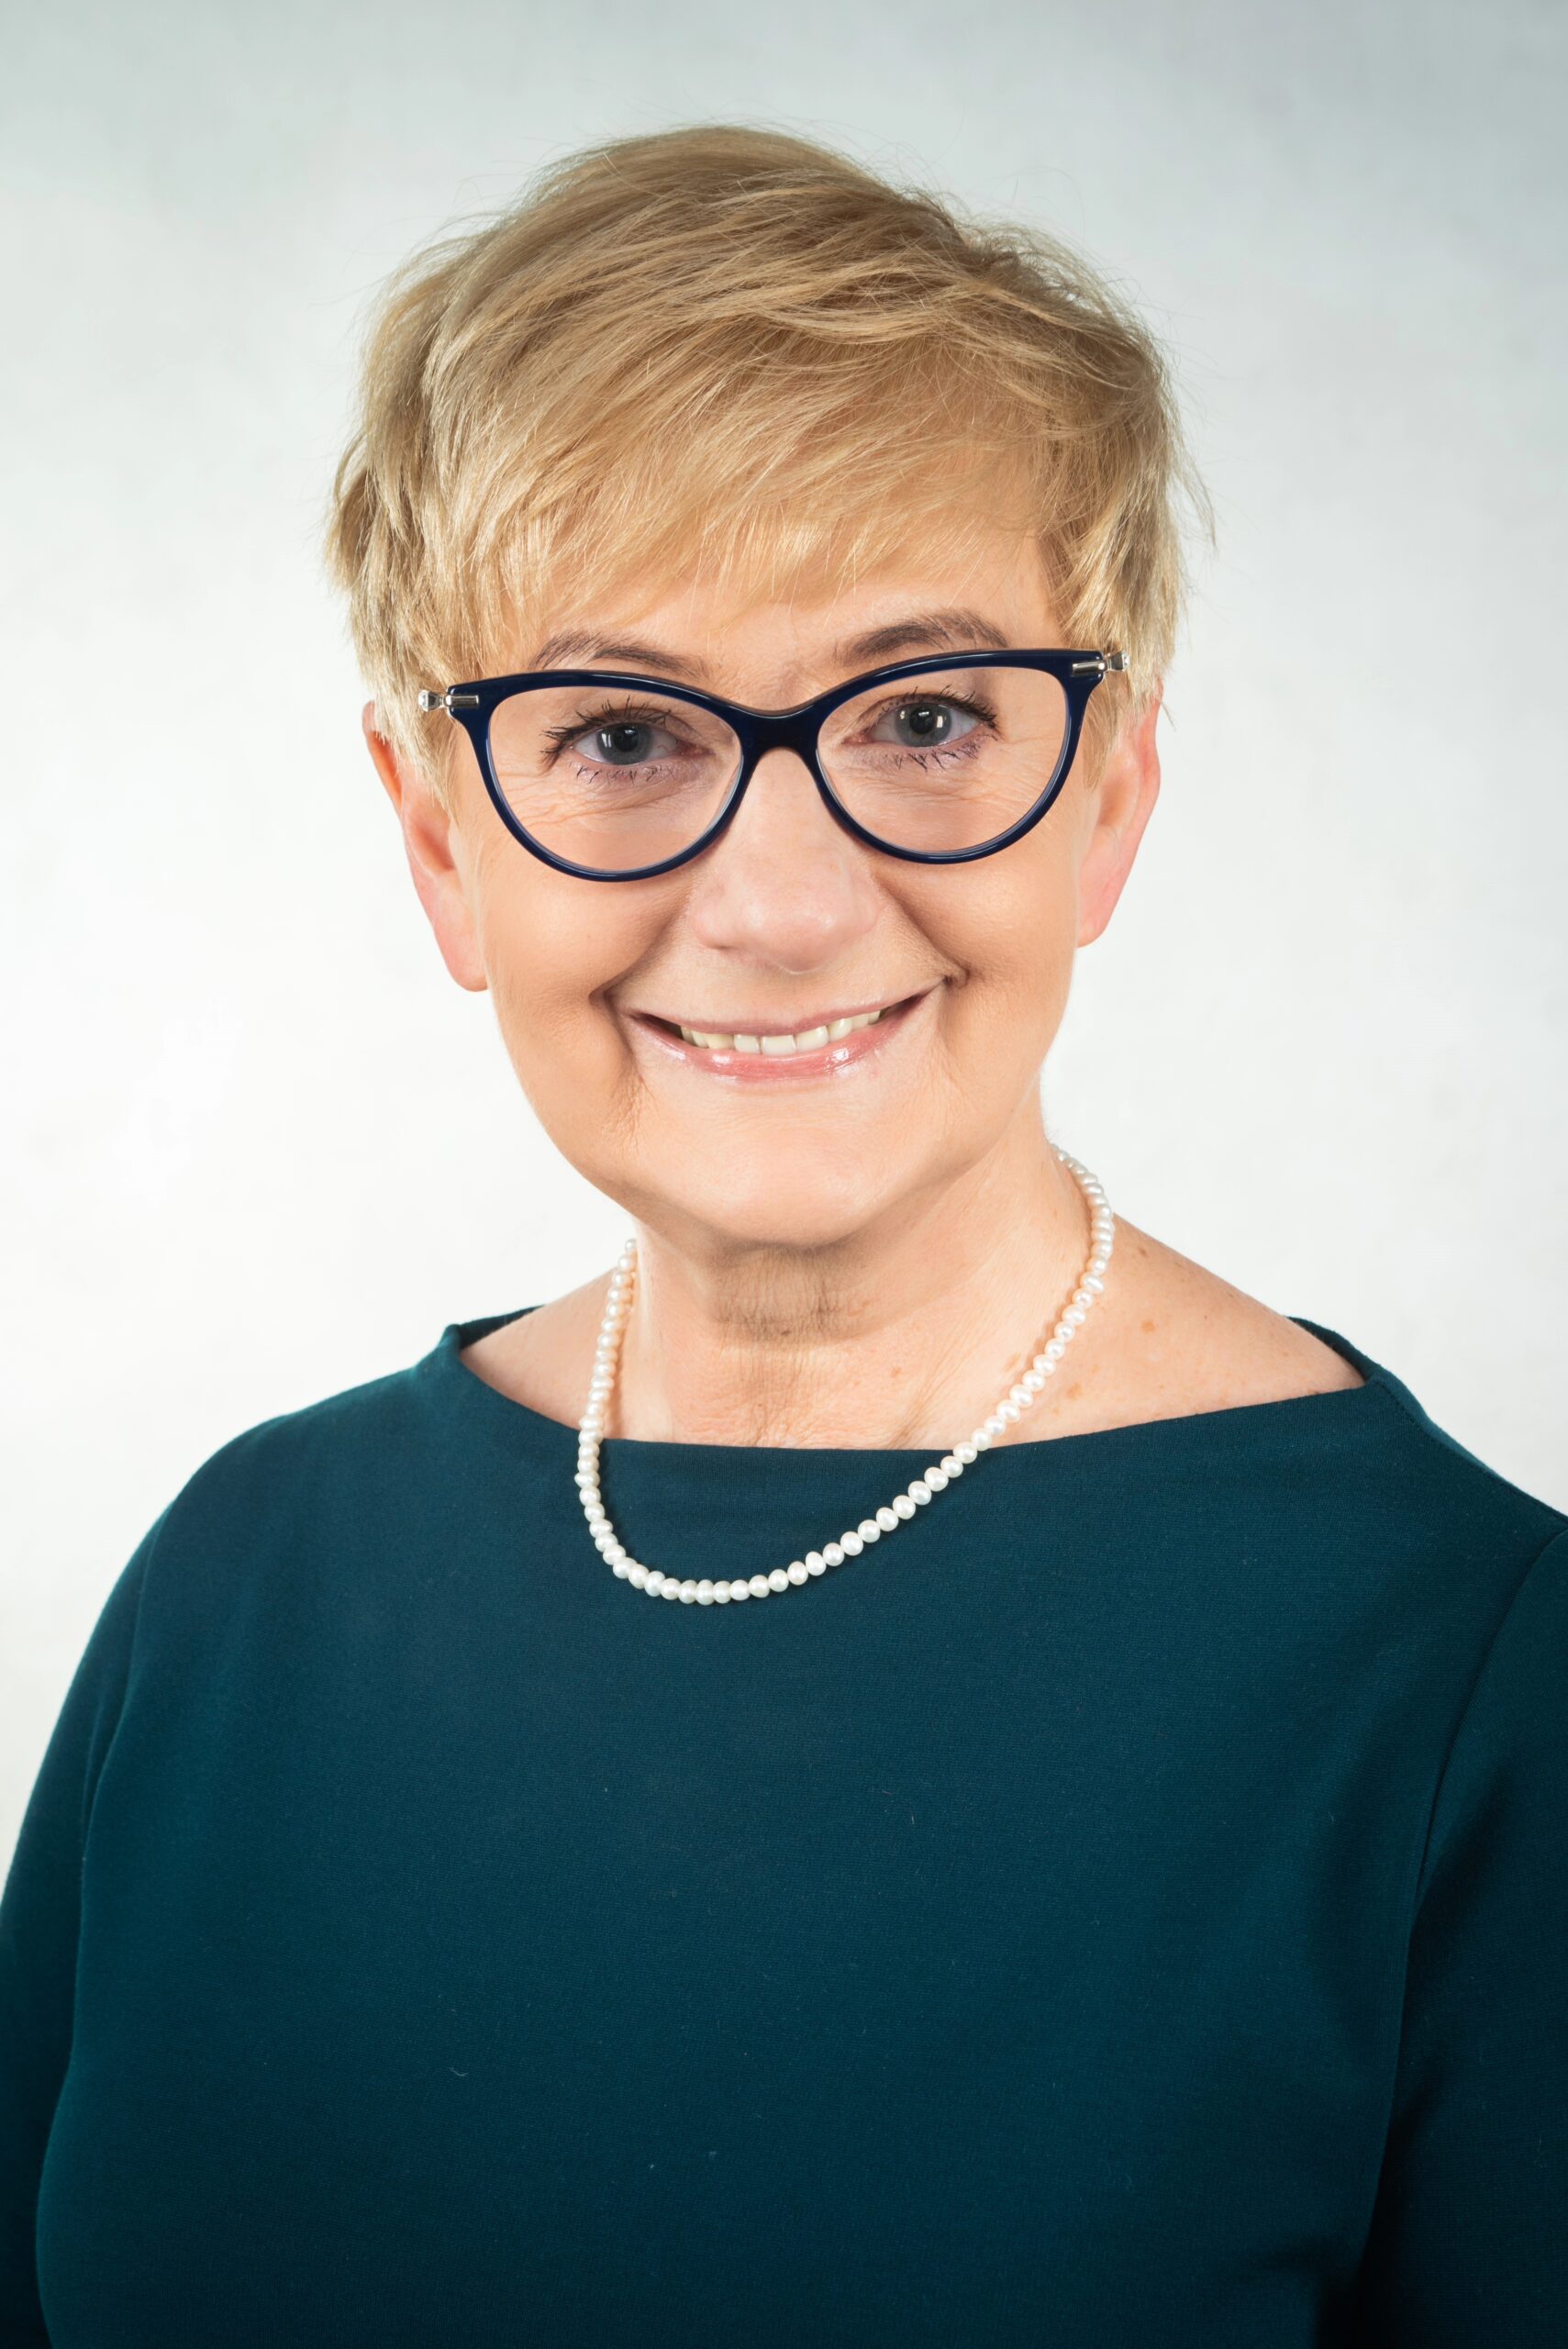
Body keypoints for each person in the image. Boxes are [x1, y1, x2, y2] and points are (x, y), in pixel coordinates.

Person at [2, 122, 1564, 2349]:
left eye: (924, 718)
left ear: (1109, 800)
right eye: (624, 733)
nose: (781, 898)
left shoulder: (1478, 1680)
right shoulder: (237, 1583)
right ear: (440, 842)